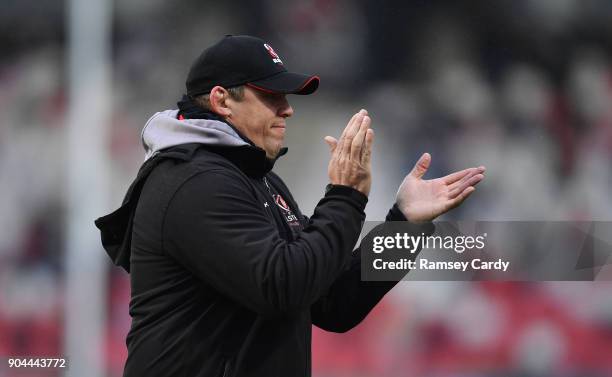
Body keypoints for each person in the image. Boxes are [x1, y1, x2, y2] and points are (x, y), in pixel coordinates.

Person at [95, 35, 485, 377]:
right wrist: (346, 194)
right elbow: (284, 286)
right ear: (221, 100)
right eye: (270, 96)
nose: (287, 108)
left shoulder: (252, 178)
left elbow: (333, 303)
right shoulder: (193, 182)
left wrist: (403, 226)